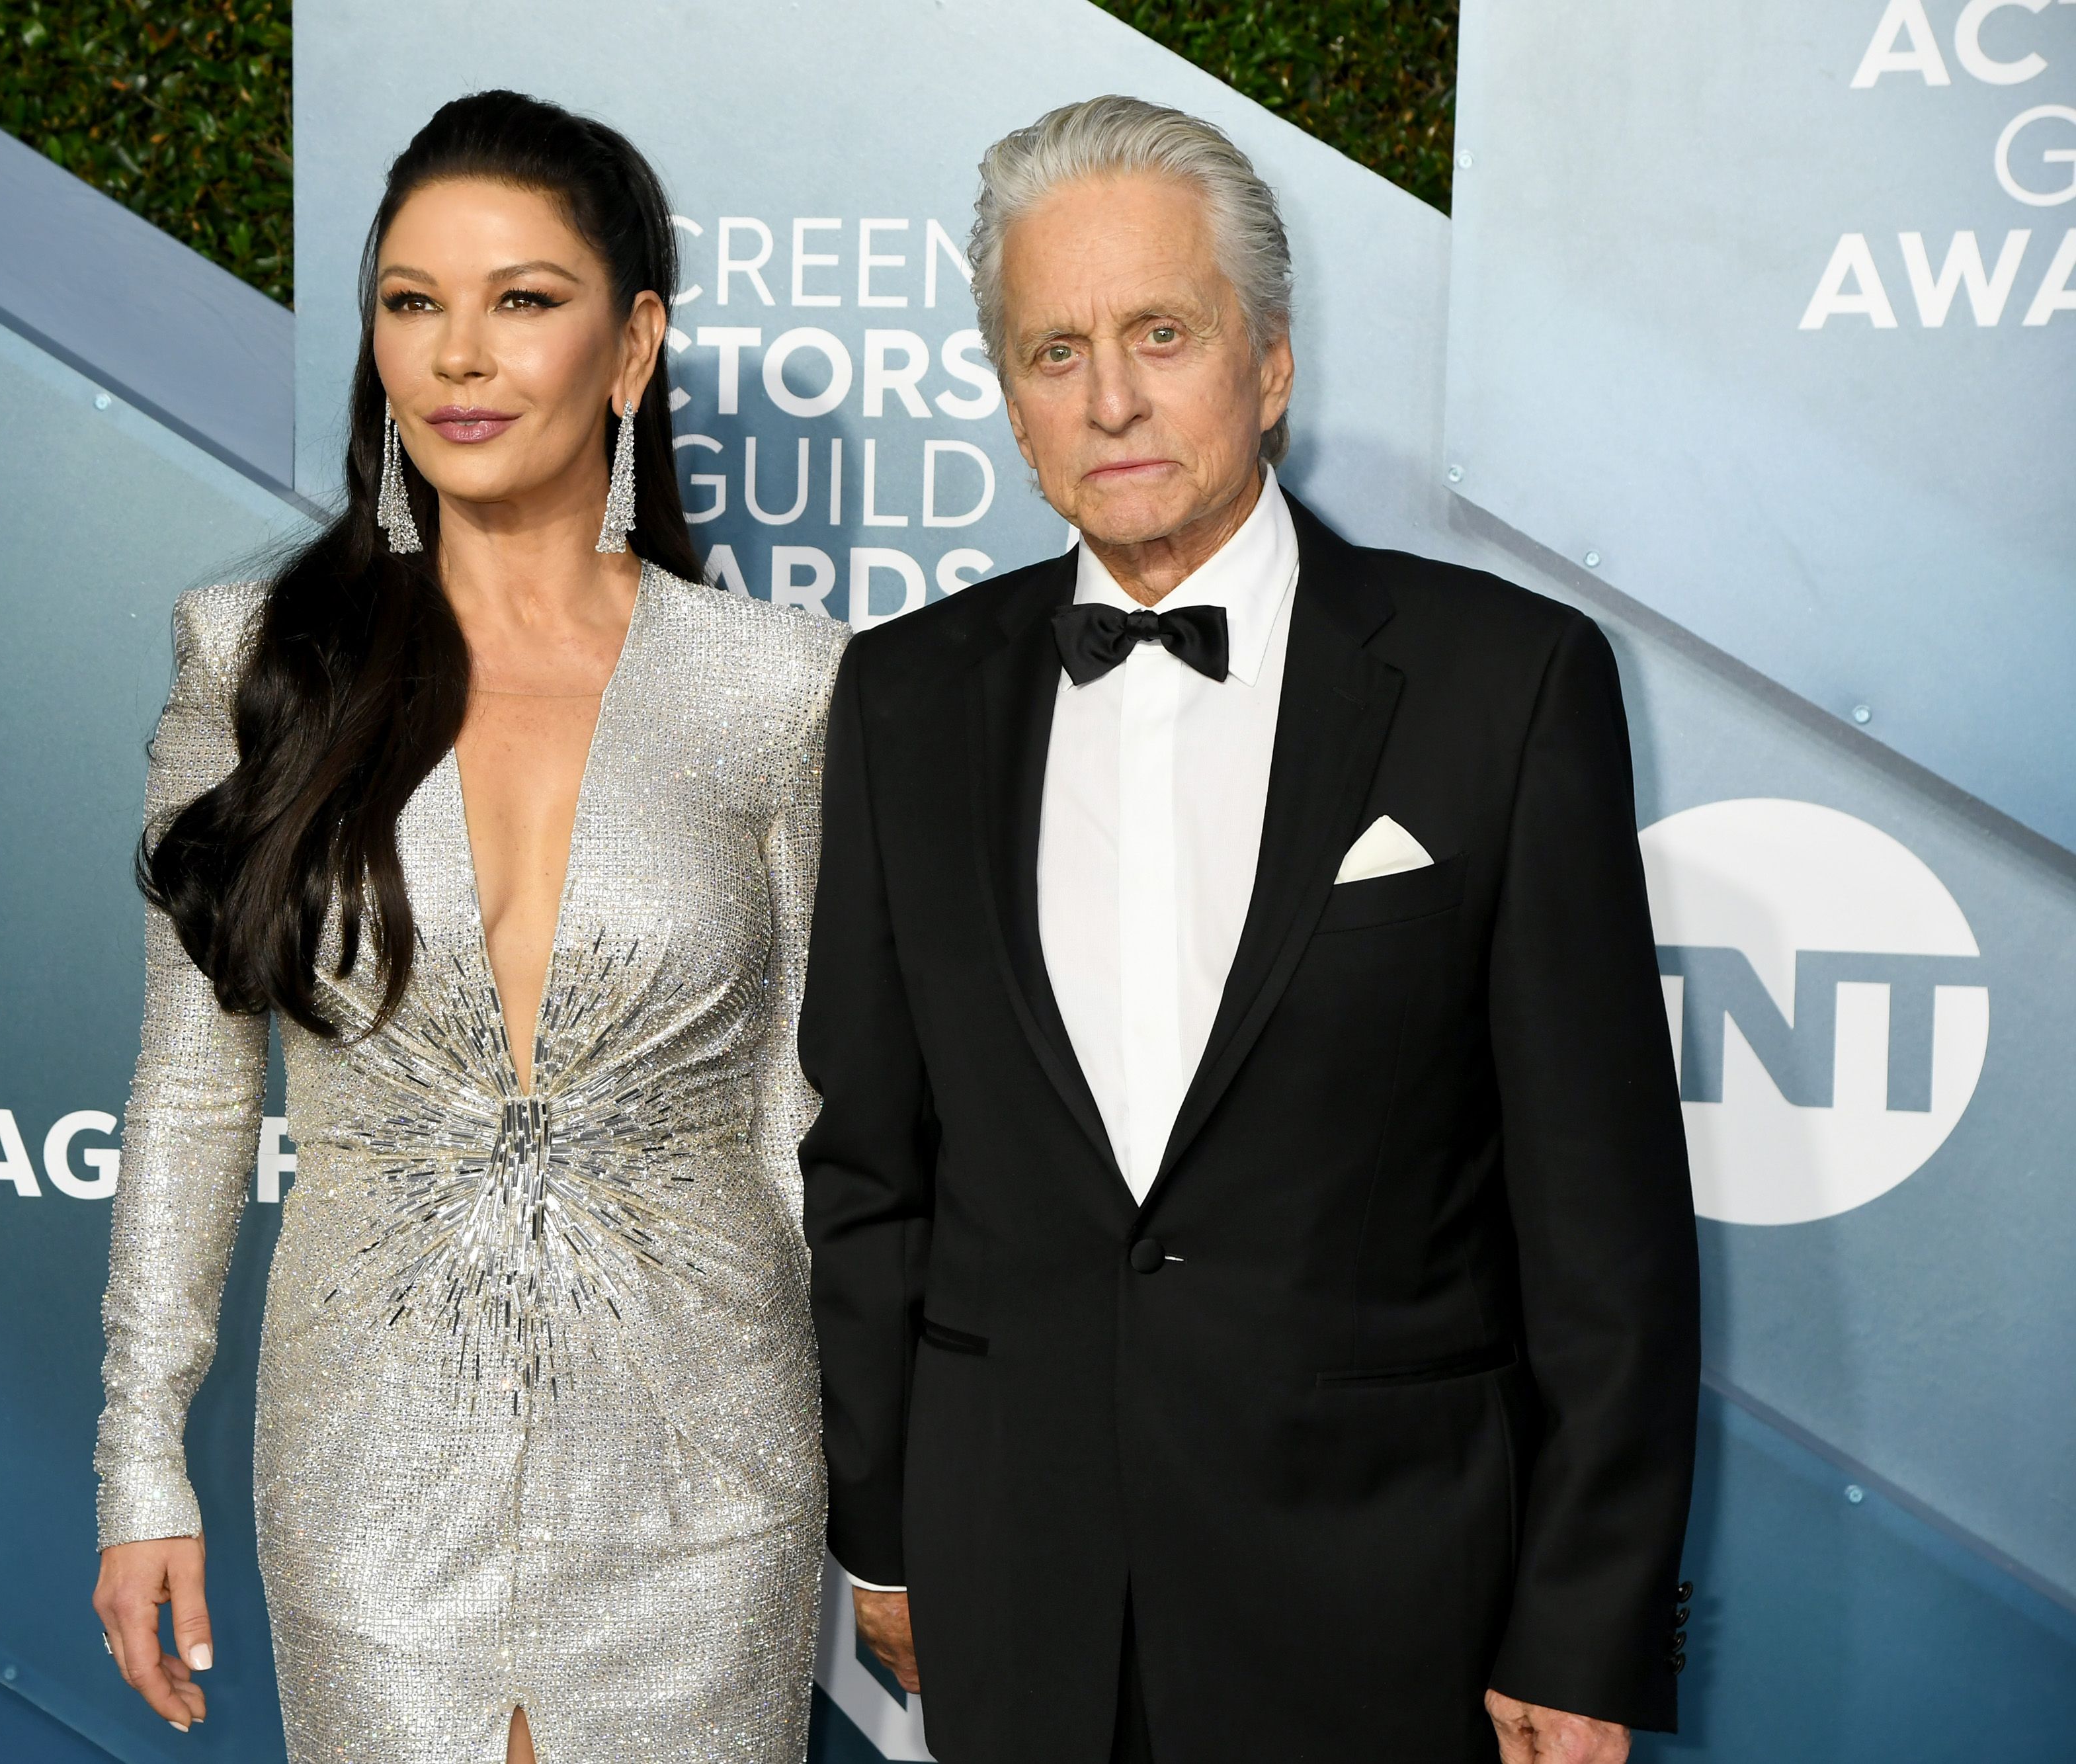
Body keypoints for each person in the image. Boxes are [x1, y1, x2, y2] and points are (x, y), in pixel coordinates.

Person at [801, 95, 1700, 1764]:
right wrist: (886, 1517)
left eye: (1160, 331)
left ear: (1267, 363)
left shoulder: (1502, 684)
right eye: (1052, 349)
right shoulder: (902, 697)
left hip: (1385, 1602)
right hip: (1015, 1586)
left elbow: (1603, 1220)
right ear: (1007, 398)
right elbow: (868, 1160)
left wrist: (1582, 1618)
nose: (1112, 397)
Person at [89, 91, 843, 1764]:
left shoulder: (775, 685)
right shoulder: (253, 658)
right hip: (371, 1465)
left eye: (523, 299)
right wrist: (141, 1457)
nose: (458, 355)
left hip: (705, 1471)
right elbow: (195, 1093)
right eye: (413, 303)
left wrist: (897, 1492)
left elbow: (805, 1120)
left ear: (633, 345)